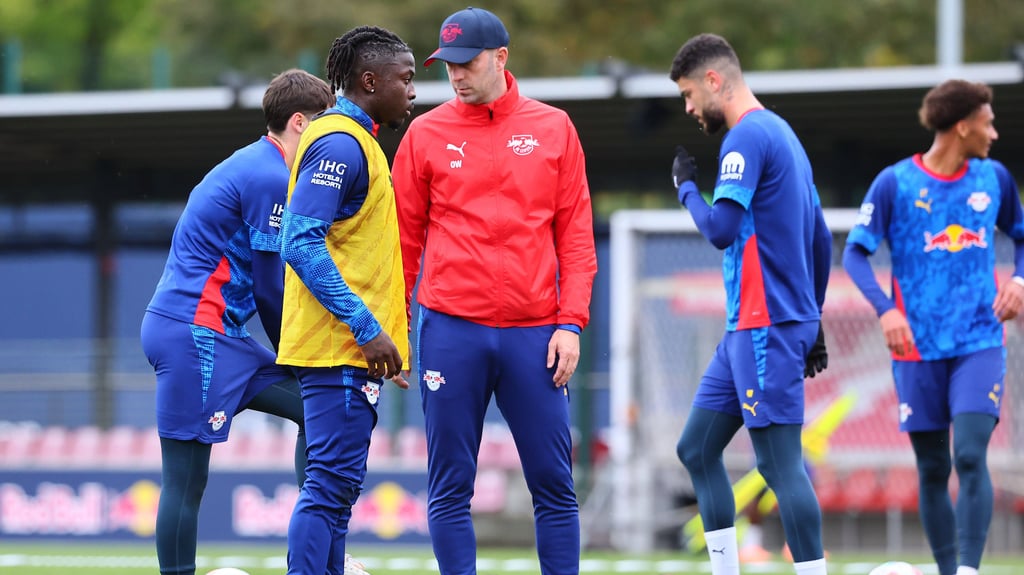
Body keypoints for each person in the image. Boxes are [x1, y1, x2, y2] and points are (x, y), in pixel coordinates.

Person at [391, 7, 597, 575]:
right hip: (450, 329)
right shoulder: (425, 133)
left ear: (501, 58)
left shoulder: (555, 128)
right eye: (447, 65)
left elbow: (576, 238)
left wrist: (570, 323)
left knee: (555, 484)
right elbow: (404, 244)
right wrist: (394, 330)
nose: (455, 74)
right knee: (450, 485)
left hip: (535, 333)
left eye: (467, 62)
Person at [140, 69, 334, 575]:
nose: (330, 140)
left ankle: (317, 548)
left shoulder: (264, 167)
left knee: (321, 410)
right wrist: (298, 350)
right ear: (298, 122)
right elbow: (272, 288)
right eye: (324, 125)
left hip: (218, 334)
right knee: (186, 480)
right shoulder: (269, 175)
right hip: (193, 334)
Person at [843, 79, 1024, 575]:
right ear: (962, 126)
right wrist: (886, 309)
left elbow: (1022, 236)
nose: (995, 133)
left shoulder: (995, 180)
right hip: (915, 346)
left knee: (968, 454)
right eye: (988, 122)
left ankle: (968, 571)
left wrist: (1020, 280)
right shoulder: (895, 183)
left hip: (978, 341)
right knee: (932, 467)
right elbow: (855, 253)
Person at [668, 33, 832, 575]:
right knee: (695, 449)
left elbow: (720, 228)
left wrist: (687, 188)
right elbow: (821, 238)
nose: (690, 108)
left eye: (690, 94)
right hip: (753, 326)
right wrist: (815, 318)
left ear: (715, 80)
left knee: (779, 465)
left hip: (766, 326)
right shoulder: (784, 135)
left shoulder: (745, 139)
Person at [277, 25, 416, 575]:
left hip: (355, 351)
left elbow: (363, 254)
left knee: (338, 491)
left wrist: (390, 337)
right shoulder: (339, 143)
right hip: (338, 347)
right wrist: (365, 325)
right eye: (404, 79)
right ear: (368, 79)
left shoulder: (362, 142)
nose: (412, 90)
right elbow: (299, 241)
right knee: (329, 486)